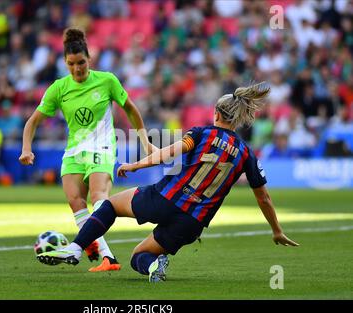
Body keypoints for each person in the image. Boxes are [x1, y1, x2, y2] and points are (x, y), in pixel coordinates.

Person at [36, 82, 299, 282]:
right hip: (193, 222)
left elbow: (167, 153)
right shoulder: (246, 154)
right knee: (139, 257)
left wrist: (136, 164)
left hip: (165, 199)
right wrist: (276, 230)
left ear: (217, 113)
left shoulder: (201, 133)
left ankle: (74, 249)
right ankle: (153, 266)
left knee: (110, 206)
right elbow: (263, 197)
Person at [19, 28, 156, 272]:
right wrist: (26, 149)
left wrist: (145, 143)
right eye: (71, 64)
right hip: (74, 151)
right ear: (65, 62)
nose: (77, 69)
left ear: (89, 59)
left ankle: (87, 246)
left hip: (101, 147)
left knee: (98, 197)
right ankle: (108, 256)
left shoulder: (107, 80)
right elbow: (32, 121)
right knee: (75, 201)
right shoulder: (58, 88)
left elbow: (131, 109)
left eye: (81, 62)